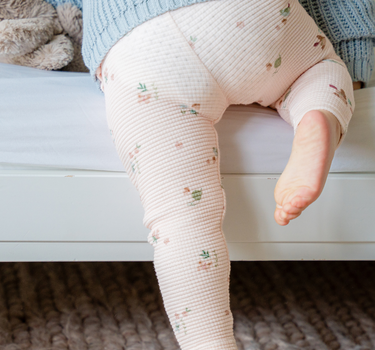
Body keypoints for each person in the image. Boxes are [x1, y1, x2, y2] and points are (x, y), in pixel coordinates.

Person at [45, 0, 375, 348]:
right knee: (320, 69)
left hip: (140, 47)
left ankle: (209, 343)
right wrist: (354, 63)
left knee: (180, 221)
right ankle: (316, 114)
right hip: (250, 16)